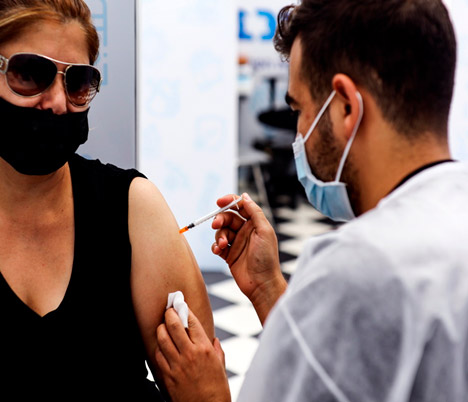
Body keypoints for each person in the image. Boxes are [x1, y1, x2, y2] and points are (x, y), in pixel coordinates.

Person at [155, 0, 468, 401]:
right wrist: (268, 289)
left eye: (299, 109)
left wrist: (209, 396)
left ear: (346, 107)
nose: (299, 134)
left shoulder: (355, 270)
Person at [0, 0, 214, 398]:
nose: (57, 102)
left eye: (77, 83)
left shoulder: (132, 209)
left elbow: (204, 390)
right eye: (29, 73)